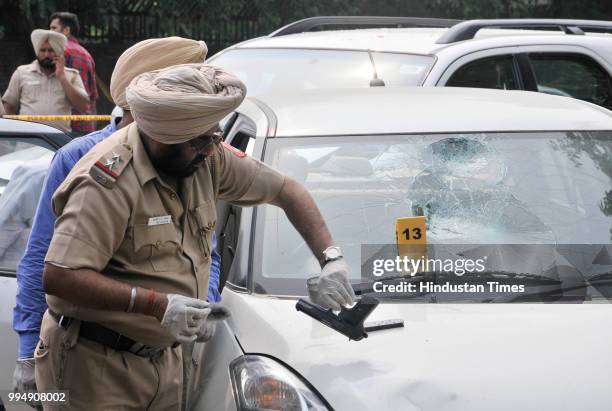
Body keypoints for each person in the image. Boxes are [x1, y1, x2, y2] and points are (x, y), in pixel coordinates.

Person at [35, 63, 355, 410]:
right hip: (95, 367)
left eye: (214, 137)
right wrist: (158, 305)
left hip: (166, 362)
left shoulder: (206, 155)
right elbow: (60, 276)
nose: (209, 150)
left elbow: (287, 191)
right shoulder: (106, 182)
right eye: (200, 142)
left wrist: (330, 258)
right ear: (163, 138)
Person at [12, 37, 213, 410]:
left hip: (165, 368)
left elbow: (206, 252)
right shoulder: (80, 158)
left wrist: (202, 304)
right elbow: (44, 258)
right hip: (90, 366)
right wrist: (27, 352)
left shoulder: (193, 156)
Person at [2, 29, 89, 133]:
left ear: (59, 53)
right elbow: (8, 106)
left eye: (51, 50)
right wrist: (14, 133)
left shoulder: (71, 75)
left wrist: (62, 77)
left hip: (58, 141)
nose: (47, 55)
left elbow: (83, 106)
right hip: (27, 139)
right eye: (43, 50)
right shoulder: (21, 72)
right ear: (37, 52)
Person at [49, 11, 98, 135]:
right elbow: (93, 97)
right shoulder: (87, 54)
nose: (49, 32)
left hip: (66, 126)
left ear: (66, 30)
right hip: (86, 125)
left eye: (53, 28)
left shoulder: (60, 52)